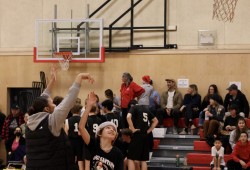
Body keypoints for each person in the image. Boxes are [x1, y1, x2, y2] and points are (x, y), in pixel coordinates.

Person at [25, 66, 94, 170]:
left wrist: (52, 81)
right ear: (47, 109)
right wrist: (79, 77)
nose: (55, 105)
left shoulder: (30, 120)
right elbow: (69, 100)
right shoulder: (51, 121)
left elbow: (42, 98)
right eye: (53, 103)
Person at [79, 92, 124, 170]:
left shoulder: (118, 153)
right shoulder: (94, 145)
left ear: (115, 137)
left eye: (114, 129)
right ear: (100, 133)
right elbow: (81, 127)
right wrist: (88, 107)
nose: (111, 129)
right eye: (108, 128)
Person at [126, 100, 158, 170]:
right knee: (143, 160)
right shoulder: (146, 109)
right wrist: (148, 131)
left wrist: (133, 129)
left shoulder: (133, 107)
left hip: (136, 135)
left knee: (131, 158)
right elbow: (156, 121)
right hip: (145, 136)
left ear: (131, 105)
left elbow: (128, 117)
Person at [64, 104, 84, 170]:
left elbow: (66, 132)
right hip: (80, 141)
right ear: (80, 111)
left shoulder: (67, 120)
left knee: (71, 158)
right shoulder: (82, 119)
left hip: (71, 141)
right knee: (80, 158)